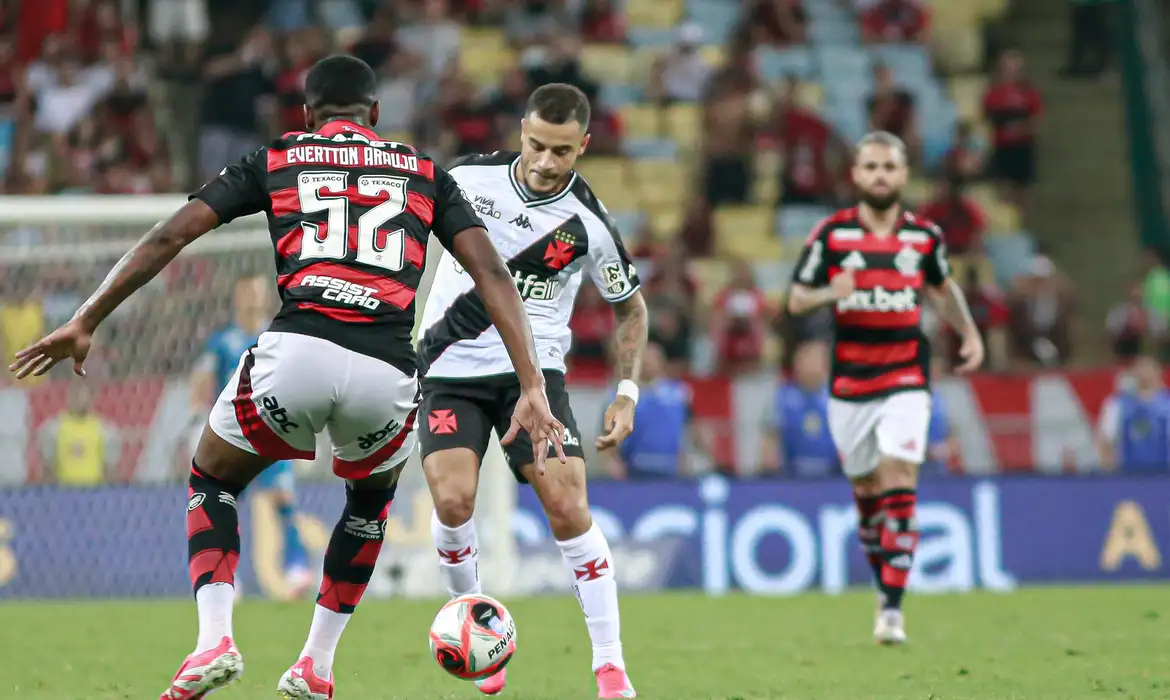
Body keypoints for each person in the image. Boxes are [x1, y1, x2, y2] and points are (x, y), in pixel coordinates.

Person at [9, 55, 565, 700]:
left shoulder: (279, 158)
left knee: (213, 476)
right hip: (388, 372)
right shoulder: (424, 171)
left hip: (298, 349)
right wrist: (532, 382)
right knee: (367, 504)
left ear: (306, 114)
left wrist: (86, 319)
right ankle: (316, 666)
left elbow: (169, 237)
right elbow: (493, 276)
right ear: (375, 115)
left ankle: (214, 640)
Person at [416, 83, 646, 698]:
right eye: (537, 145)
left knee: (569, 505)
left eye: (563, 152)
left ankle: (610, 665)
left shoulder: (590, 223)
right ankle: (480, 636)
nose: (547, 163)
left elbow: (631, 309)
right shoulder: (463, 179)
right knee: (454, 502)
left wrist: (627, 391)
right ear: (521, 130)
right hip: (449, 369)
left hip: (535, 382)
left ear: (584, 146)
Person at [786, 131, 985, 645]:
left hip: (906, 376)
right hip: (849, 382)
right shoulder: (831, 235)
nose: (879, 175)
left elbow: (943, 289)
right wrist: (834, 290)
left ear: (902, 175)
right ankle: (885, 583)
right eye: (870, 166)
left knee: (899, 475)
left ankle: (892, 611)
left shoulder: (924, 238)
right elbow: (795, 299)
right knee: (867, 494)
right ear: (855, 175)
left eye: (888, 167)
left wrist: (968, 332)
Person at [189, 275, 312, 599]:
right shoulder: (222, 342)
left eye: (258, 292)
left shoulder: (274, 337)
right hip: (234, 433)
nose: (254, 298)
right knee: (226, 501)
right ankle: (228, 577)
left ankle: (297, 568)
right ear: (237, 296)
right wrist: (196, 419)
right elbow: (201, 381)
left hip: (273, 428)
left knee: (284, 500)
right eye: (248, 292)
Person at [605, 342, 693, 480]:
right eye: (644, 360)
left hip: (670, 468)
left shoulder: (678, 393)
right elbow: (608, 432)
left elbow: (686, 428)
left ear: (661, 362)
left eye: (652, 360)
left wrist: (685, 458)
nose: (648, 364)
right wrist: (613, 461)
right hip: (633, 469)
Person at [764, 340, 839, 477]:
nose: (810, 365)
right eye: (804, 359)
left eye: (815, 360)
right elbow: (770, 439)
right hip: (791, 478)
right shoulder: (782, 397)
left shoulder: (837, 400)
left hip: (832, 478)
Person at [1096, 355, 1170, 473]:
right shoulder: (1117, 404)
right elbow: (1105, 441)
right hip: (1128, 478)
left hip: (1165, 478)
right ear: (1133, 373)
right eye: (1141, 370)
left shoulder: (1167, 404)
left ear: (1159, 373)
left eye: (1149, 370)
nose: (1145, 375)